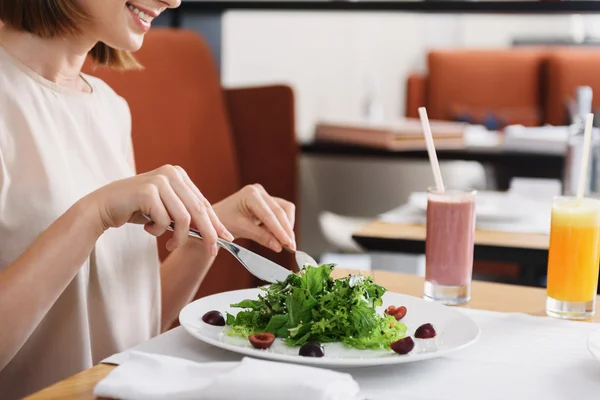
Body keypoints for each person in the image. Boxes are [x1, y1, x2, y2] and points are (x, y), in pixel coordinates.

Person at [0, 1, 297, 398]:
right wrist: (94, 214)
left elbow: (134, 331)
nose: (173, 0)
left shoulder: (110, 108)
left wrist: (210, 230)